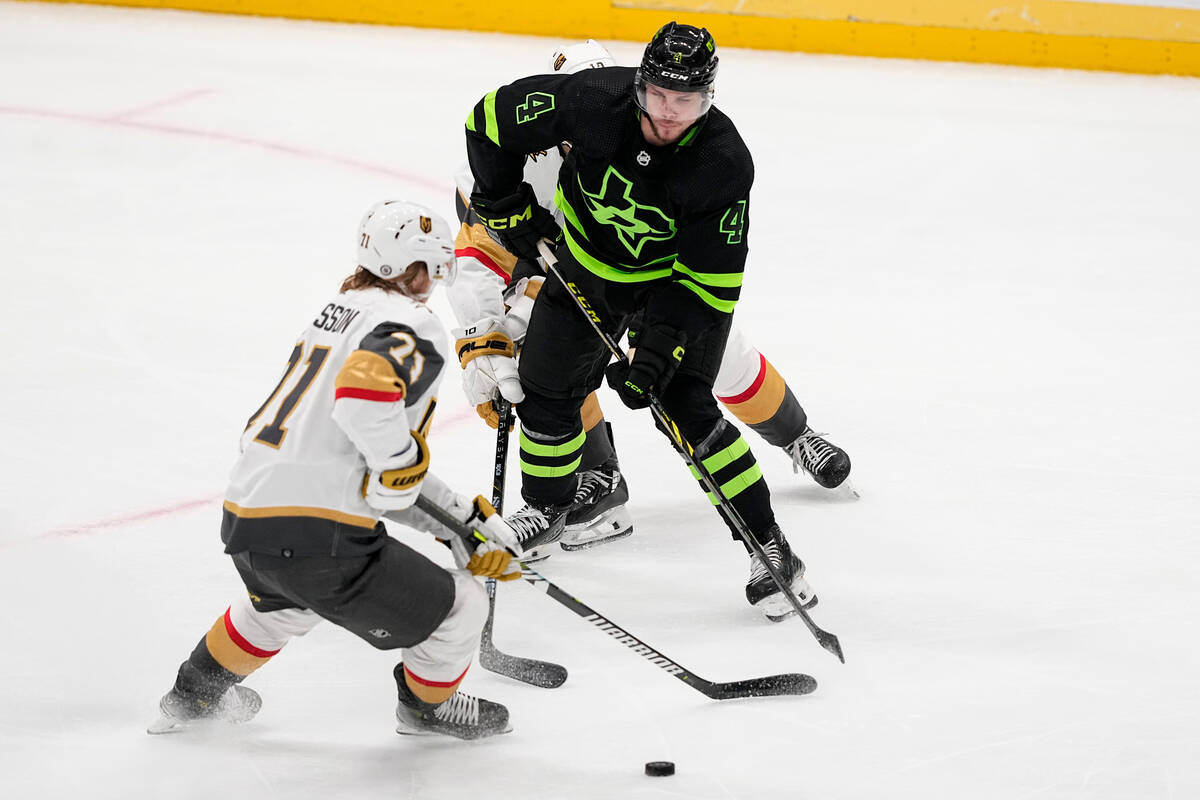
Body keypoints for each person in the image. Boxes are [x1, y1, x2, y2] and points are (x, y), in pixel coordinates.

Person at [461, 23, 839, 619]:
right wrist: (507, 206)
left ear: (708, 97)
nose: (668, 113)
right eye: (659, 95)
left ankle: (770, 549)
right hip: (583, 269)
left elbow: (708, 282)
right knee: (547, 390)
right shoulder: (589, 102)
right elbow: (487, 123)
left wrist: (659, 353)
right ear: (639, 84)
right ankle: (545, 508)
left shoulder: (722, 161)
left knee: (687, 410)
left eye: (685, 100)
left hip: (671, 289)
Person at [147, 201, 523, 741]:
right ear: (420, 270)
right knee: (462, 605)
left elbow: (368, 467)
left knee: (278, 610)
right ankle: (426, 710)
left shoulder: (337, 311)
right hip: (319, 536)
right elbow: (373, 430)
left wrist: (460, 521)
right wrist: (461, 526)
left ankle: (190, 696)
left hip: (248, 516)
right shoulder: (412, 323)